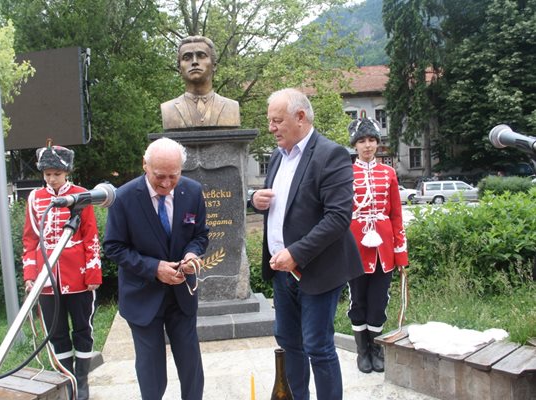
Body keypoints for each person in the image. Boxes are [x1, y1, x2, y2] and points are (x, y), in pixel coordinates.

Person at [250, 88, 364, 400]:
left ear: (300, 117)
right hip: (282, 271)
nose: (271, 128)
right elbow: (282, 204)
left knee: (317, 344)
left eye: (277, 121)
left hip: (318, 269)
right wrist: (254, 199)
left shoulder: (331, 154)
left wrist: (296, 253)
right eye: (270, 121)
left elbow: (338, 217)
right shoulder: (277, 156)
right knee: (288, 341)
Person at [103, 137, 209, 400]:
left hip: (182, 295)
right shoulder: (123, 198)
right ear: (145, 165)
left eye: (173, 176)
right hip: (142, 296)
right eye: (159, 176)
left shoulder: (192, 191)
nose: (166, 183)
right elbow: (113, 247)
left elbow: (200, 235)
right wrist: (154, 268)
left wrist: (191, 254)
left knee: (191, 364)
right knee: (151, 370)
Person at [22, 144, 101, 400]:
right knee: (56, 332)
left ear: (66, 171)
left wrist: (93, 274)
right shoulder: (35, 198)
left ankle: (82, 379)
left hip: (77, 277)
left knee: (82, 328)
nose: (51, 178)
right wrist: (30, 276)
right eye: (47, 174)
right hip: (47, 280)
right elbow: (30, 241)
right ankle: (67, 378)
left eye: (56, 173)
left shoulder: (81, 195)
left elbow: (91, 236)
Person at [346, 117, 409, 373]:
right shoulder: (345, 173)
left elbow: (396, 215)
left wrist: (401, 255)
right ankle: (362, 352)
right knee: (357, 302)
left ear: (377, 143)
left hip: (384, 249)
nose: (368, 145)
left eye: (372, 140)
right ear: (355, 145)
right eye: (362, 141)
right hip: (355, 249)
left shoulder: (389, 173)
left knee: (379, 301)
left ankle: (376, 349)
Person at [161, 36, 240, 131]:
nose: (194, 62)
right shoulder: (168, 109)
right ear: (179, 68)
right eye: (187, 57)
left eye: (201, 56)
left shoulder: (232, 107)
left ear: (214, 65)